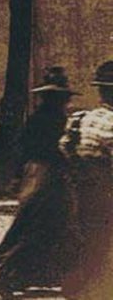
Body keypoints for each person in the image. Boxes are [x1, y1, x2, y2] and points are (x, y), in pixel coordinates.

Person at [0, 67, 80, 296]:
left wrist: (19, 176)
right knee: (40, 225)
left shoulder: (36, 118)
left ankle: (21, 272)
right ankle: (6, 271)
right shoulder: (54, 120)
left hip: (35, 174)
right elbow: (53, 149)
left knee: (33, 222)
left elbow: (23, 148)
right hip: (48, 177)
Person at [60, 61, 113, 299]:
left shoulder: (80, 119)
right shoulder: (110, 124)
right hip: (105, 194)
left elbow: (64, 147)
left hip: (79, 191)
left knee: (86, 241)